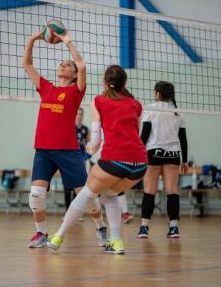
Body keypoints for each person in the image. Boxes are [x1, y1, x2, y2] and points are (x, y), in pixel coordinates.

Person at [48, 65, 148, 254]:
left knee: (85, 194)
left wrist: (90, 147)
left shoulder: (99, 101)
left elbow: (95, 140)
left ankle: (58, 236)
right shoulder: (136, 104)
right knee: (109, 194)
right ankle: (116, 242)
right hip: (140, 164)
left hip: (115, 159)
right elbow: (136, 133)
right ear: (124, 83)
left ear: (104, 81)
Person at [22, 28, 107, 248]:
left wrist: (68, 41)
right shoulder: (47, 88)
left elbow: (82, 66)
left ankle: (101, 228)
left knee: (86, 196)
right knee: (36, 194)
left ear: (73, 75)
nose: (64, 65)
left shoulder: (75, 91)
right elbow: (28, 65)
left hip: (68, 151)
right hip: (43, 150)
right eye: (62, 63)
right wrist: (33, 39)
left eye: (68, 65)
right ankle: (41, 233)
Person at [137, 81, 188, 239]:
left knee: (149, 191)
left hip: (153, 153)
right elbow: (183, 139)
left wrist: (137, 155)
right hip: (173, 155)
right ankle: (174, 228)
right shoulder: (178, 112)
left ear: (157, 93)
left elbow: (144, 136)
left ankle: (144, 227)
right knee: (172, 191)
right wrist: (184, 160)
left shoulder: (151, 109)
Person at [63, 107, 90, 213]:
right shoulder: (69, 127)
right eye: (77, 114)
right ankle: (67, 212)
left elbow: (88, 144)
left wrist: (87, 156)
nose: (79, 116)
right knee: (67, 186)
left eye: (80, 114)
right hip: (68, 160)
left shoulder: (86, 129)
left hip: (81, 160)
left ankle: (74, 213)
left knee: (78, 187)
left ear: (82, 116)